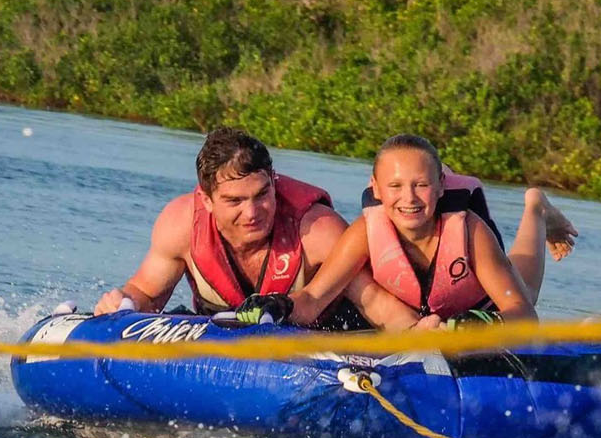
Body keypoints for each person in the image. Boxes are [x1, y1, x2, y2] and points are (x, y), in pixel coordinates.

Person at [94, 129, 403, 329]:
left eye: (262, 195)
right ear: (207, 199)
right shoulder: (181, 224)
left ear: (274, 181)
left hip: (325, 343)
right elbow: (148, 293)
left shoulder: (318, 230)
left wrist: (425, 338)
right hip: (219, 339)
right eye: (235, 201)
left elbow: (376, 304)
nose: (252, 212)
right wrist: (124, 302)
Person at [279, 133, 578, 328]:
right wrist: (275, 307)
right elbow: (312, 299)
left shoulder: (471, 231)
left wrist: (486, 324)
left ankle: (535, 209)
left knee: (527, 290)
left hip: (478, 308)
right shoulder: (363, 234)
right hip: (426, 322)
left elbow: (524, 316)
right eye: (395, 186)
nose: (409, 198)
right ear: (377, 189)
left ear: (440, 187)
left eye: (421, 185)